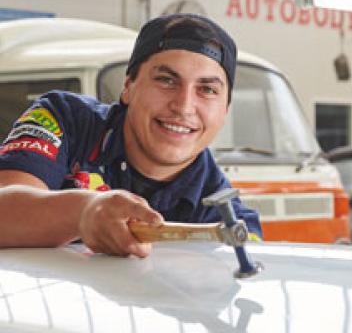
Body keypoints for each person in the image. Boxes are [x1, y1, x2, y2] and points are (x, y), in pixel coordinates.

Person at [0, 13, 261, 257]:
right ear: (128, 87)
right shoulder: (63, 119)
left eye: (207, 90)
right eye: (166, 80)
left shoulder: (231, 222)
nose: (183, 106)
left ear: (225, 110)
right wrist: (82, 213)